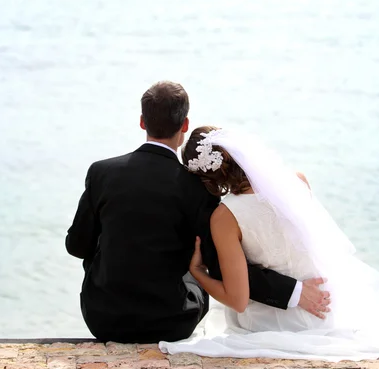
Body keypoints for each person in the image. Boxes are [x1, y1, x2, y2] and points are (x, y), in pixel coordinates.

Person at [65, 82, 329, 343]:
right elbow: (220, 265)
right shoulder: (197, 188)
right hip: (172, 322)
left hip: (103, 319)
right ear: (185, 125)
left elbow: (77, 246)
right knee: (198, 257)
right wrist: (291, 292)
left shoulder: (101, 172)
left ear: (142, 122)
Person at [160, 126, 379, 360]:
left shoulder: (225, 216)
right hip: (326, 310)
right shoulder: (297, 181)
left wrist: (198, 272)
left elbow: (238, 301)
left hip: (272, 322)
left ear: (206, 178)